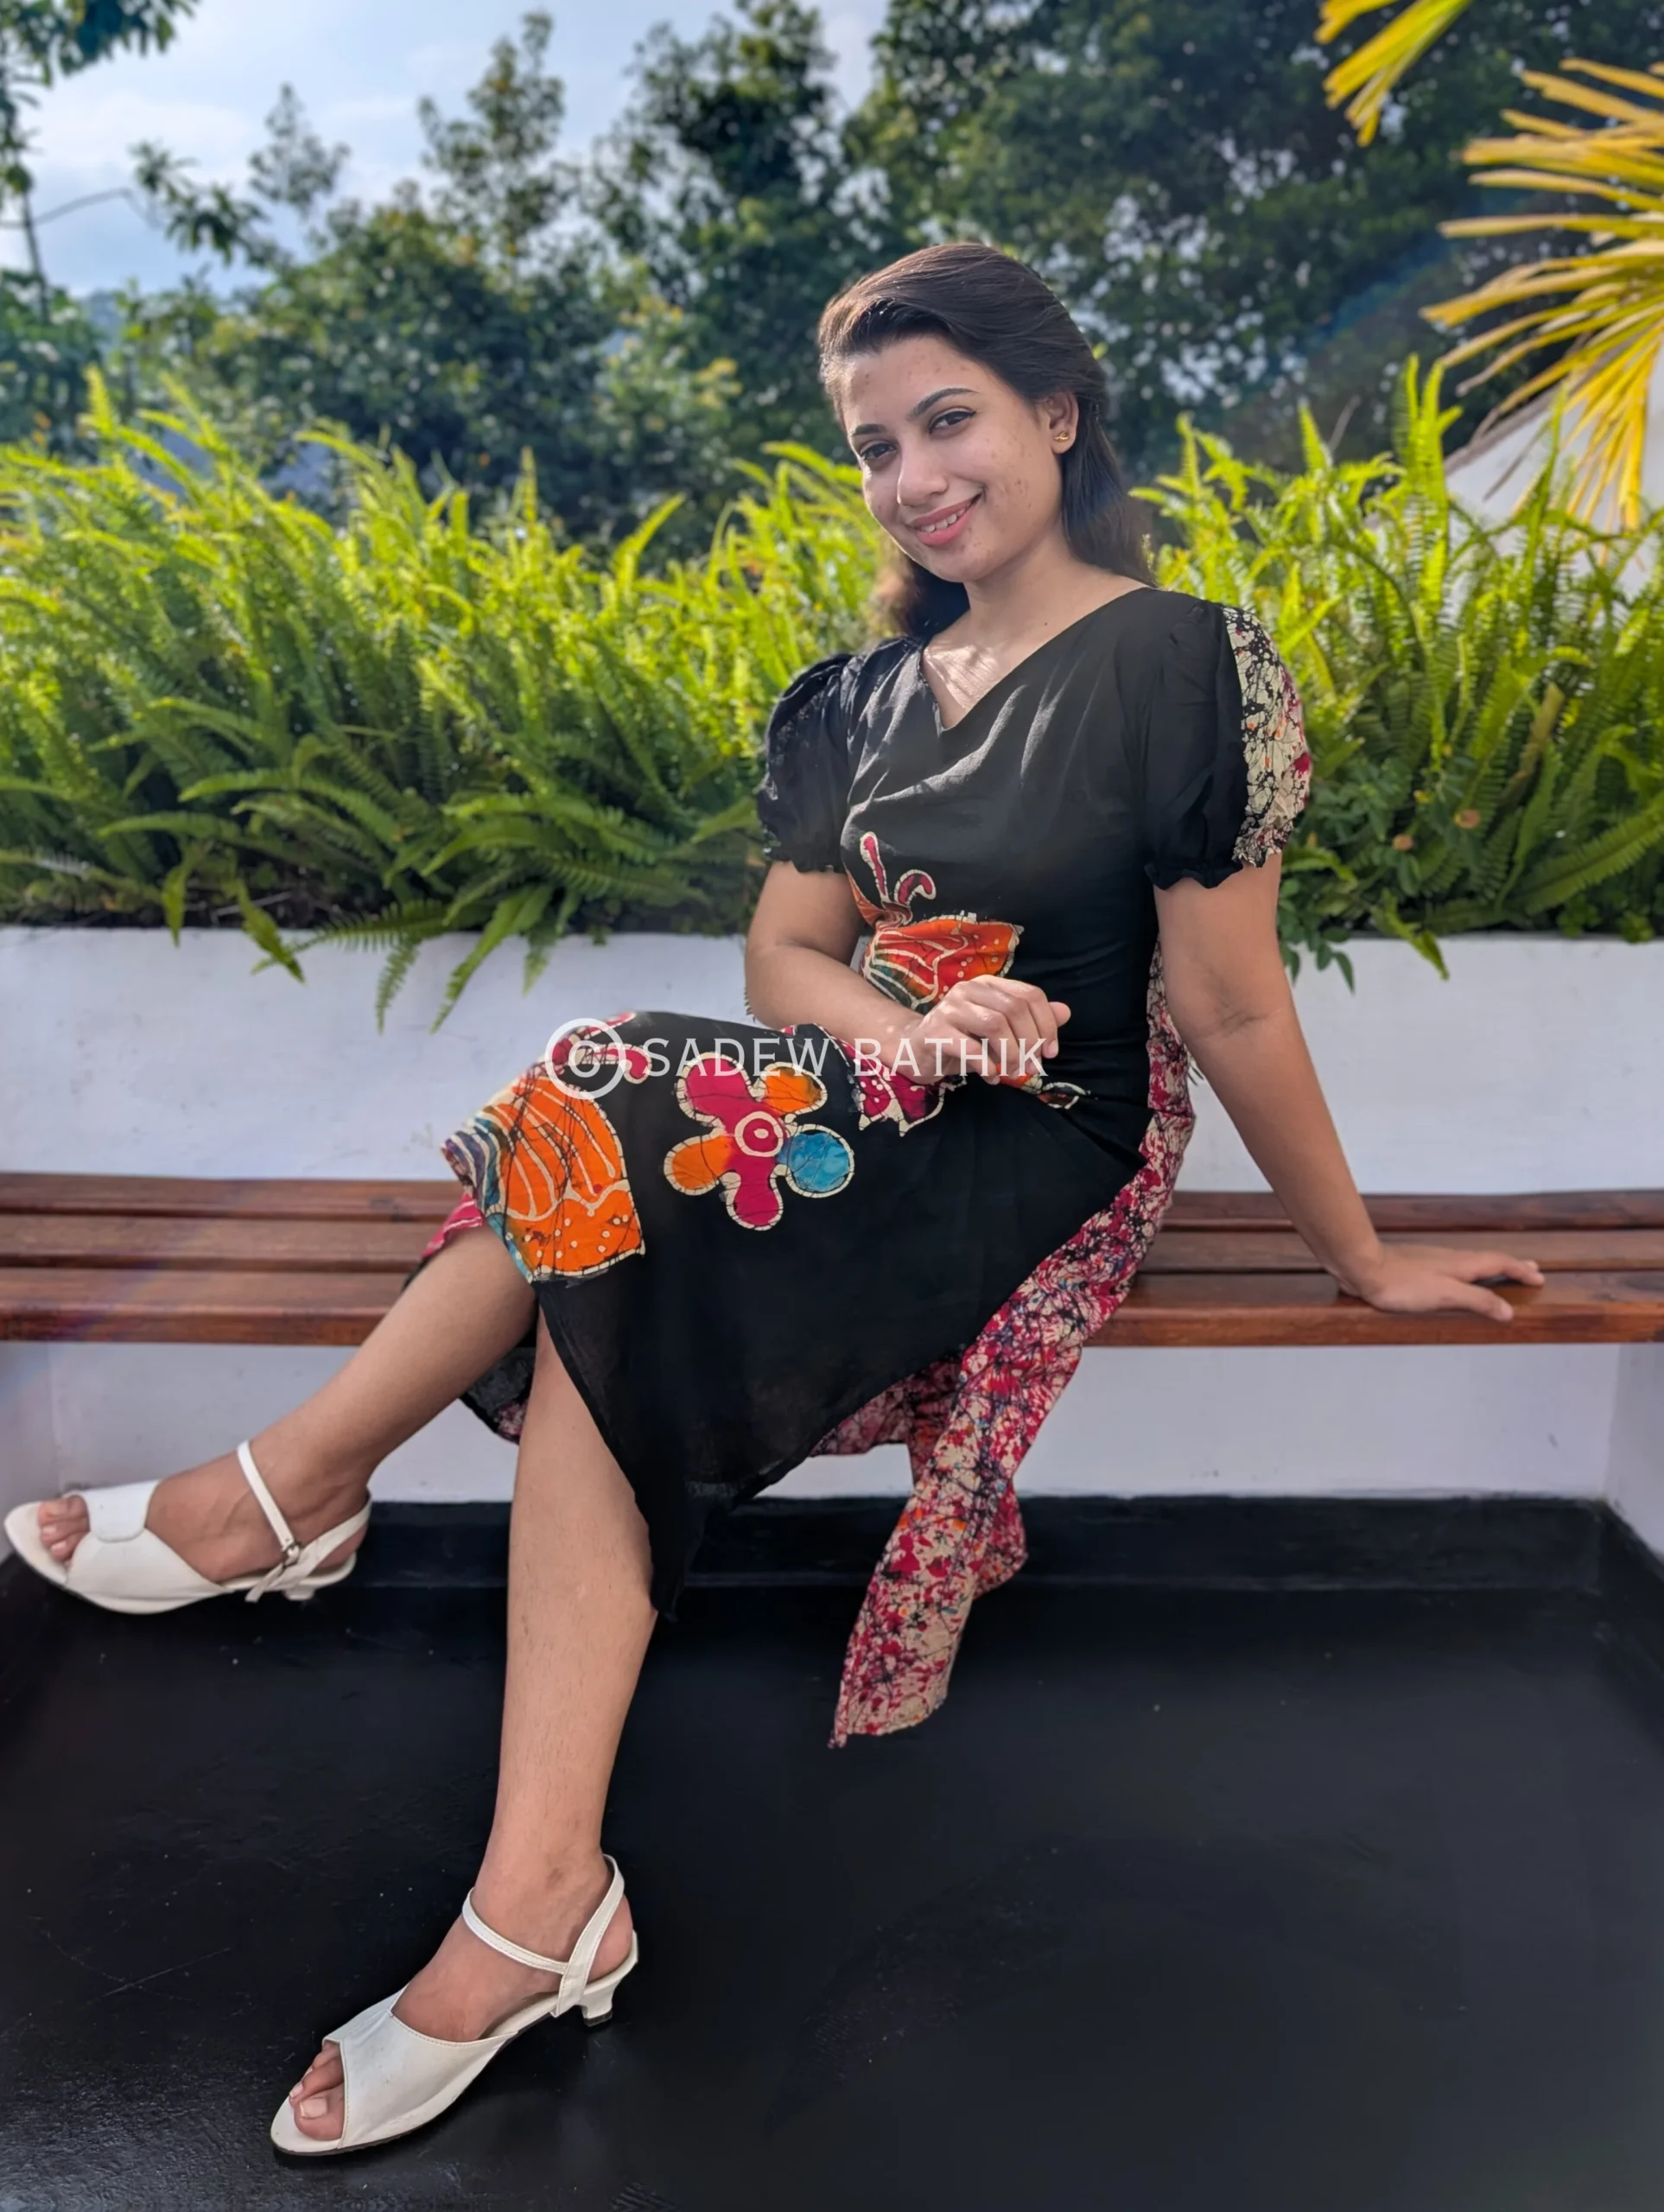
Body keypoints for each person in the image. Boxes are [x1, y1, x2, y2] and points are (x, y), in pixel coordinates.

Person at [4, 242, 1543, 2156]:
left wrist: (1358, 1253)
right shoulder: (862, 700)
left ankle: (300, 1508)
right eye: (877, 444)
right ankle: (532, 1892)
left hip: (1047, 1132)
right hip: (869, 1092)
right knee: (611, 1240)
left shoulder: (1178, 663)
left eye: (949, 420)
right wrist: (910, 1023)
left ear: (1057, 412)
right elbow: (785, 960)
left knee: (600, 1096)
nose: (915, 475)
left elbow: (1226, 999)